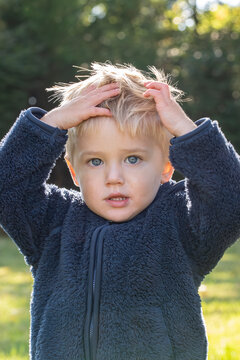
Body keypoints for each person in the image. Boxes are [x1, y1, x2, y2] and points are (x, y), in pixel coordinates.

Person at [0, 62, 239, 360]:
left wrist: (187, 132)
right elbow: (6, 189)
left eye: (133, 159)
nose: (114, 177)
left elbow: (231, 199)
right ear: (74, 172)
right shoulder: (53, 223)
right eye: (95, 162)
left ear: (166, 167)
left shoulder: (181, 222)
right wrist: (51, 123)